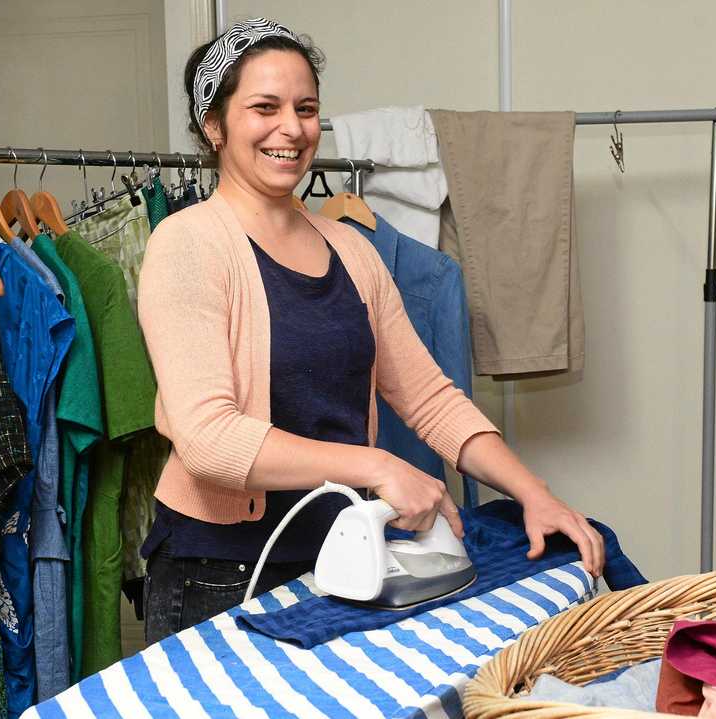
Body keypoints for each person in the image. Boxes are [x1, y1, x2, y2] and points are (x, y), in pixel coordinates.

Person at [136, 18, 604, 644]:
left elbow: (429, 396)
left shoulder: (351, 249)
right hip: (219, 573)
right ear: (215, 126)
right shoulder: (187, 245)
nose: (291, 128)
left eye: (306, 108)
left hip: (344, 562)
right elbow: (210, 440)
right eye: (264, 107)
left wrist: (534, 493)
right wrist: (377, 465)